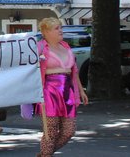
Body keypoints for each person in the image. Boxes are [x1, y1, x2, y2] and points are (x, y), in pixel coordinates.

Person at [37, 17, 88, 156]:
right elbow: (30, 69)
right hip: (49, 91)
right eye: (57, 28)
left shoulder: (65, 46)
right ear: (46, 32)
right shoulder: (40, 47)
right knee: (51, 131)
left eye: (61, 27)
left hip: (67, 90)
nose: (61, 31)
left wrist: (81, 90)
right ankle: (46, 155)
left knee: (69, 131)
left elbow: (74, 70)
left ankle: (43, 154)